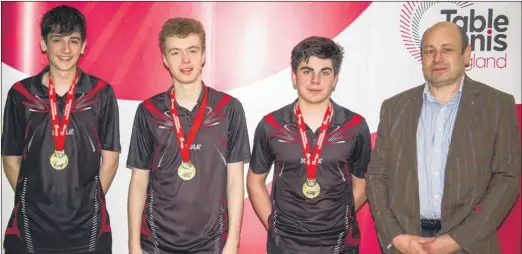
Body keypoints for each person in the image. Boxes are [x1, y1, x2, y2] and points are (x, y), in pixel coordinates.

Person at [366, 21, 521, 254]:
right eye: (429, 51)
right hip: (408, 244)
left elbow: (508, 178)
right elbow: (377, 176)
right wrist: (395, 236)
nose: (437, 58)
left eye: (447, 49)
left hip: (470, 245)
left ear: (466, 54)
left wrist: (459, 239)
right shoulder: (394, 108)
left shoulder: (497, 105)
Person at [2, 5, 121, 254]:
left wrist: (85, 203)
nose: (66, 50)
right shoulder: (20, 94)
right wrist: (34, 200)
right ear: (44, 44)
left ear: (84, 46)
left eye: (73, 41)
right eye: (57, 40)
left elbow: (110, 161)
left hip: (88, 231)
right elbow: (10, 160)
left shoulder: (101, 93)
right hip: (30, 229)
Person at [126, 17, 251, 254]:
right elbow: (139, 181)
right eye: (175, 52)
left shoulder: (229, 108)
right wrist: (133, 245)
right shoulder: (148, 111)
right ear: (164, 59)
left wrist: (233, 241)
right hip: (156, 243)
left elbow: (235, 181)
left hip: (212, 243)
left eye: (192, 51)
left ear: (203, 55)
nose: (185, 60)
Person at [247, 36, 372, 254]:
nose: (315, 80)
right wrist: (274, 224)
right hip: (284, 246)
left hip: (340, 245)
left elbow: (362, 184)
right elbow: (255, 182)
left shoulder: (355, 125)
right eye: (307, 71)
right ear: (294, 77)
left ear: (335, 79)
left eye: (324, 72)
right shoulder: (270, 125)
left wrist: (339, 217)